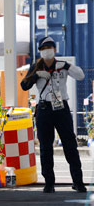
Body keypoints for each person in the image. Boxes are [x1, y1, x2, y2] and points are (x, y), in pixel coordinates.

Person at [20, 36, 86, 193]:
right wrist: (36, 75)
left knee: (70, 145)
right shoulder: (36, 66)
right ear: (40, 52)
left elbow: (81, 75)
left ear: (54, 50)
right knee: (45, 147)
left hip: (61, 108)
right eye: (43, 49)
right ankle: (49, 183)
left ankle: (78, 181)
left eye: (49, 48)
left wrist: (68, 66)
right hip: (44, 109)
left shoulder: (62, 66)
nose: (46, 51)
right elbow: (24, 85)